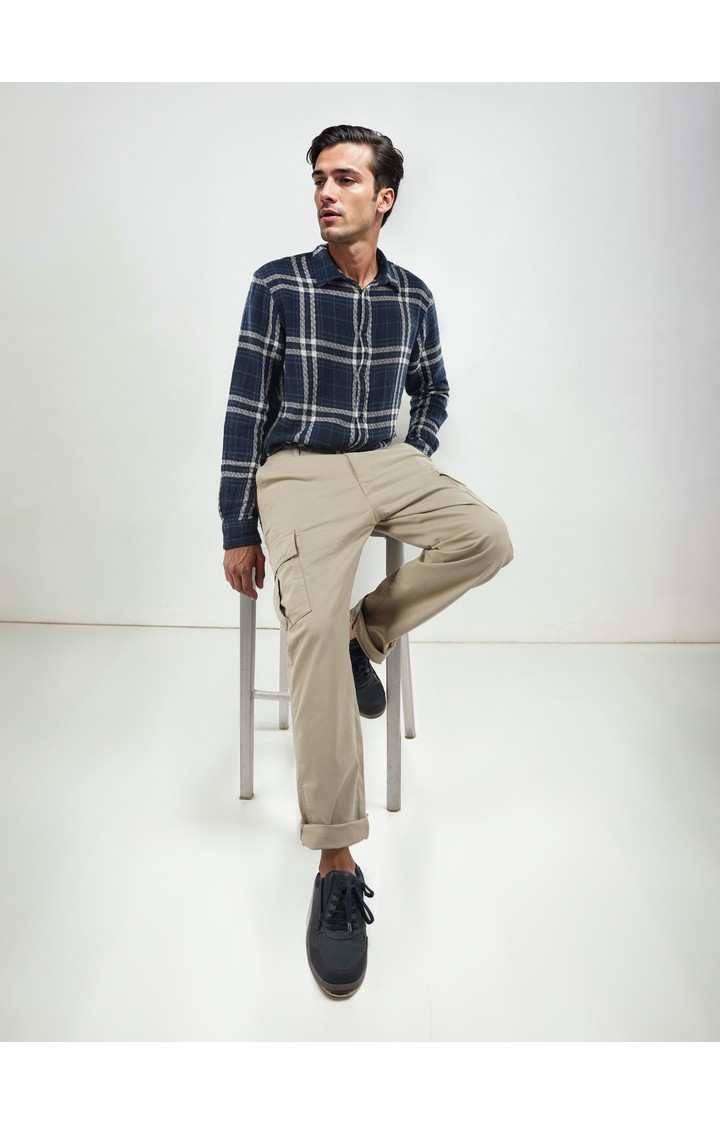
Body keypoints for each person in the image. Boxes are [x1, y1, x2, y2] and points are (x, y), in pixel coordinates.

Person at [219, 124, 514, 999]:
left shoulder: (412, 294)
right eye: (319, 178)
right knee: (307, 627)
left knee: (488, 537)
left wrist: (414, 451)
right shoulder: (277, 284)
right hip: (300, 469)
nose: (326, 192)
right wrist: (237, 524)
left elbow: (435, 387)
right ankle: (337, 862)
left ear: (384, 198)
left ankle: (368, 634)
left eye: (345, 179)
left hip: (387, 460)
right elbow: (244, 408)